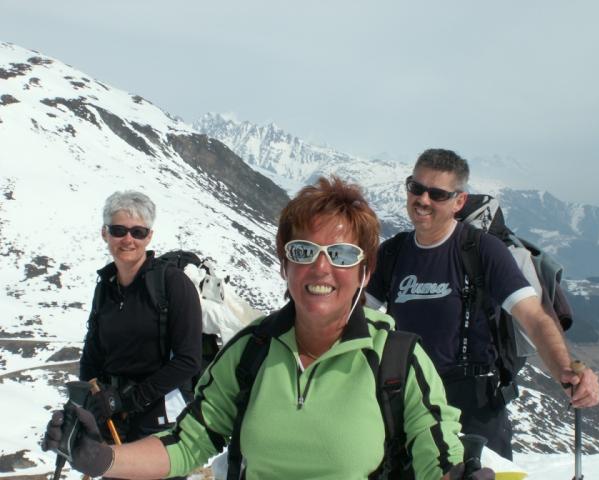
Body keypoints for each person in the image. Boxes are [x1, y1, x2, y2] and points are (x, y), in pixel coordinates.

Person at [43, 177, 495, 480]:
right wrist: (102, 458)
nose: (321, 268)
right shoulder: (251, 351)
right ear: (284, 265)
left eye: (341, 255)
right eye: (303, 251)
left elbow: (436, 454)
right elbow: (189, 443)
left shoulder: (396, 359)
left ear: (365, 271)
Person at [365, 149, 599, 460]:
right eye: (416, 188)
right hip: (407, 396)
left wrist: (565, 370)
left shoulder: (482, 250)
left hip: (473, 404)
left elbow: (534, 316)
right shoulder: (392, 253)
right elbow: (356, 316)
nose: (422, 200)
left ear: (459, 201)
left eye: (437, 194)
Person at [78, 190, 202, 468]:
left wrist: (127, 401)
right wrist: (89, 402)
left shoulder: (173, 284)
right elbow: (92, 355)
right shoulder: (105, 288)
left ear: (149, 237)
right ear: (105, 233)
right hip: (113, 419)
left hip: (160, 418)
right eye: (118, 230)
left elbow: (188, 360)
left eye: (138, 232)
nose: (128, 239)